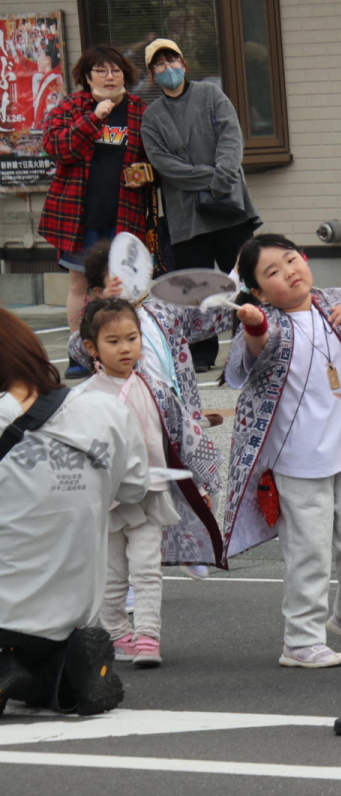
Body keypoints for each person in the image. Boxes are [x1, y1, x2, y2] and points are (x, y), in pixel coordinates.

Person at [223, 235, 341, 668]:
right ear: (257, 291)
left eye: (292, 260)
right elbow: (256, 349)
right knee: (308, 550)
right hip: (296, 459)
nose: (289, 271)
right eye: (272, 272)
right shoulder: (266, 319)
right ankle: (301, 639)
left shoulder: (338, 303)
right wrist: (253, 324)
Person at [0, 308, 147, 716]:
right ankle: (53, 673)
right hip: (71, 610)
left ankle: (17, 667)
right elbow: (135, 489)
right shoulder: (108, 412)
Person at [74, 299, 224, 668]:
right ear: (91, 348)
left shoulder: (156, 388)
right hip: (107, 500)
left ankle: (147, 637)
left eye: (132, 338)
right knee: (111, 576)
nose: (126, 348)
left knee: (146, 569)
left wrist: (203, 481)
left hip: (150, 494)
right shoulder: (82, 398)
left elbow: (184, 435)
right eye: (113, 341)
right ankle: (116, 632)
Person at [70, 240, 232, 579]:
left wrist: (235, 288)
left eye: (135, 271)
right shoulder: (100, 322)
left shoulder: (163, 308)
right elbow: (78, 348)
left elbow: (208, 316)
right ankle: (126, 572)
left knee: (197, 479)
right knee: (133, 497)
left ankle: (190, 546)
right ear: (98, 290)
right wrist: (103, 305)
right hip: (132, 419)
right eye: (116, 278)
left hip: (177, 412)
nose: (130, 281)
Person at [140, 38, 260, 373]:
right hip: (186, 216)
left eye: (172, 60)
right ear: (152, 75)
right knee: (195, 286)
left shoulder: (211, 95)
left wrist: (222, 178)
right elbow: (164, 164)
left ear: (184, 63)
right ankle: (202, 353)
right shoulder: (152, 116)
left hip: (229, 205)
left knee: (243, 279)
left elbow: (231, 139)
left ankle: (248, 344)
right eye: (160, 65)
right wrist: (211, 177)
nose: (168, 69)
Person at [38, 44, 151, 379]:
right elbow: (58, 148)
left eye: (115, 70)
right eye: (101, 70)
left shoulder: (139, 111)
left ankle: (131, 353)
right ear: (87, 76)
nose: (109, 76)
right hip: (77, 215)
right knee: (80, 285)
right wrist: (95, 116)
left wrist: (146, 171)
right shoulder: (71, 107)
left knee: (128, 286)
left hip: (126, 212)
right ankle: (80, 353)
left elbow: (156, 152)